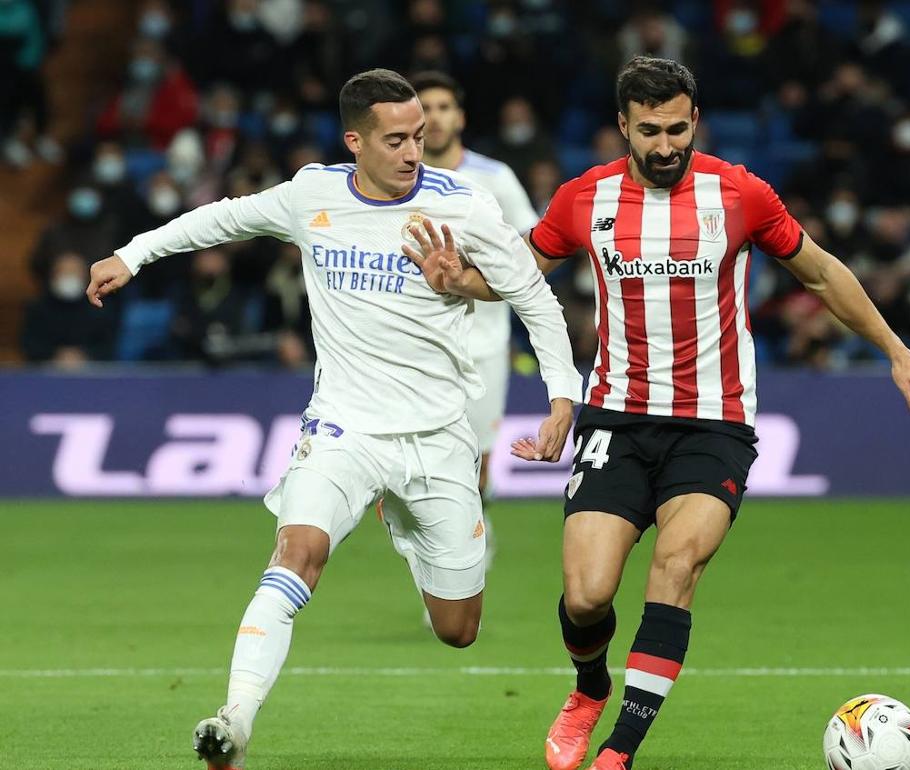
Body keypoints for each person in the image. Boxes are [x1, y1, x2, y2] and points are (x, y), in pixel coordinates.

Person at [420, 56, 910, 770]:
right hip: (615, 418)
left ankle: (619, 751)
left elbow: (823, 271)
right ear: (624, 127)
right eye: (651, 131)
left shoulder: (738, 194)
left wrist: (897, 349)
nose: (667, 144)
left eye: (678, 128)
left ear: (695, 120)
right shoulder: (585, 199)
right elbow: (521, 275)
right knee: (586, 599)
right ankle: (588, 688)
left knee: (675, 568)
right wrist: (463, 283)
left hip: (715, 424)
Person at [85, 68, 582, 770]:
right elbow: (222, 216)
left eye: (419, 136)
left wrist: (563, 396)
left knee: (458, 629)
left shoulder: (463, 205)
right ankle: (235, 721)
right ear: (356, 141)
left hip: (440, 437)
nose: (416, 150)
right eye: (397, 139)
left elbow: (533, 295)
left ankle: (406, 525)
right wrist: (133, 254)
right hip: (344, 429)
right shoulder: (313, 195)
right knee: (296, 554)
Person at [410, 70, 538, 498]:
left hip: (482, 343)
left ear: (460, 117)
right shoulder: (397, 182)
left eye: (444, 108)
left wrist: (476, 276)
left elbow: (532, 248)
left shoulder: (494, 177)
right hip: (415, 342)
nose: (436, 118)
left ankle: (474, 540)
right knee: (414, 460)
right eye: (426, 109)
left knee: (478, 459)